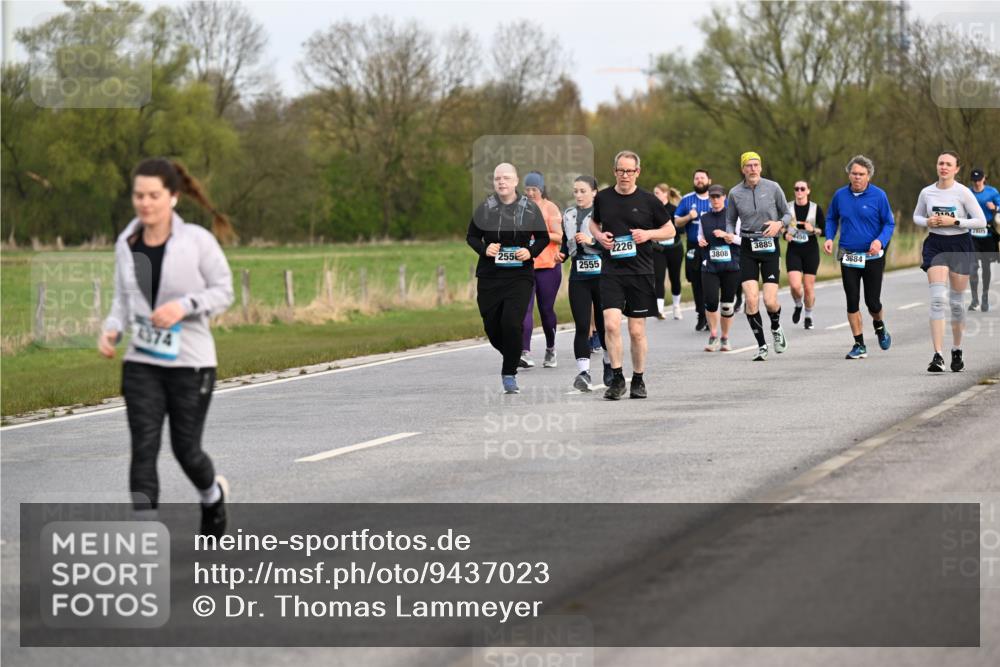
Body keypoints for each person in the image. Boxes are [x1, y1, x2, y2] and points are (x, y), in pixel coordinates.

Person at [98, 157, 235, 537]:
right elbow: (122, 301)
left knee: (185, 450)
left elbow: (224, 291)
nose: (144, 203)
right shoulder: (127, 243)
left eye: (153, 195)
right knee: (143, 447)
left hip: (191, 362)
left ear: (173, 197)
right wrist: (111, 330)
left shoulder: (196, 241)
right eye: (138, 195)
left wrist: (184, 306)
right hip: (142, 360)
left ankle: (211, 496)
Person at [590, 150, 676, 400]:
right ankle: (617, 379)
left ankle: (638, 378)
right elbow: (593, 223)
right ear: (614, 171)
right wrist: (598, 236)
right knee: (611, 324)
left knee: (637, 331)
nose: (624, 175)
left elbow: (669, 229)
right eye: (620, 170)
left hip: (640, 272)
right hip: (611, 271)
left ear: (638, 172)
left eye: (629, 171)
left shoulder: (649, 201)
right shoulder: (603, 198)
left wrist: (648, 234)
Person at [467, 163, 547, 393]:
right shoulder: (485, 208)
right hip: (490, 276)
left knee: (511, 323)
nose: (501, 182)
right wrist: (485, 249)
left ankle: (509, 373)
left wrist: (530, 252)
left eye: (506, 178)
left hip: (519, 276)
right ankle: (512, 355)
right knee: (492, 327)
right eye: (497, 178)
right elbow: (471, 237)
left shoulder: (530, 208)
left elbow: (542, 238)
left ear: (515, 181)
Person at [912, 152, 987, 372]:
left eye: (948, 164)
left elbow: (980, 220)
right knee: (936, 300)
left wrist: (953, 220)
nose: (943, 167)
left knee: (955, 303)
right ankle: (937, 355)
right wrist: (927, 220)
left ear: (956, 169)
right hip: (936, 245)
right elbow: (916, 217)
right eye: (940, 163)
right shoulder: (927, 192)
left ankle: (957, 349)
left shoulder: (962, 192)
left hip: (960, 245)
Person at [824, 155, 895, 359]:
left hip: (872, 257)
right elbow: (831, 218)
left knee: (872, 302)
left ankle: (879, 325)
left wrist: (880, 241)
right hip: (849, 255)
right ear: (849, 174)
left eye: (861, 174)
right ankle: (859, 344)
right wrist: (829, 237)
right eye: (854, 173)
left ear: (869, 176)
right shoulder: (840, 196)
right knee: (852, 301)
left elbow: (889, 223)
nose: (857, 177)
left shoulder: (879, 196)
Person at [726, 151, 791, 361]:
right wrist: (730, 234)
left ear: (760, 168)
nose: (753, 169)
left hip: (770, 246)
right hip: (747, 247)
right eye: (749, 166)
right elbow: (730, 219)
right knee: (751, 300)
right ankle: (762, 345)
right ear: (743, 169)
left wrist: (779, 224)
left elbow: (788, 214)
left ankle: (776, 326)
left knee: (770, 301)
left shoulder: (773, 187)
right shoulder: (735, 193)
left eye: (756, 165)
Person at [557, 175, 612, 390]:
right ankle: (583, 373)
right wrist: (562, 254)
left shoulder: (604, 214)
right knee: (581, 326)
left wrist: (591, 241)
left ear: (594, 192)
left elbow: (612, 245)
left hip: (602, 275)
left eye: (583, 191)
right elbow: (565, 240)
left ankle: (609, 365)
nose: (578, 195)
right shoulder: (569, 214)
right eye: (575, 191)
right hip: (578, 276)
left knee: (603, 324)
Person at [520, 172, 563, 369]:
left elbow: (560, 237)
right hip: (525, 267)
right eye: (527, 189)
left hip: (548, 267)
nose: (530, 193)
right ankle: (525, 352)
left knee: (546, 310)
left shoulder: (550, 208)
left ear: (541, 189)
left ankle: (551, 349)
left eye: (534, 189)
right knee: (524, 309)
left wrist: (540, 232)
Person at [698, 184, 740, 351]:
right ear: (709, 199)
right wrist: (701, 240)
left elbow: (743, 240)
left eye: (718, 197)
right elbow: (700, 235)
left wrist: (728, 236)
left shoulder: (734, 217)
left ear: (724, 198)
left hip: (731, 266)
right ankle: (713, 335)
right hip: (710, 266)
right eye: (712, 197)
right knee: (710, 302)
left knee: (727, 305)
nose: (715, 200)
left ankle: (725, 337)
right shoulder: (704, 217)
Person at [674, 170, 714, 331]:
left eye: (702, 178)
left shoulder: (717, 198)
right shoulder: (687, 199)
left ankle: (712, 311)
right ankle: (701, 314)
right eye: (696, 178)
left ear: (709, 181)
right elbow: (677, 222)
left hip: (713, 246)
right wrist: (689, 217)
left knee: (712, 280)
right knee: (696, 280)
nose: (699, 180)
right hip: (694, 246)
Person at [784, 180, 824, 330]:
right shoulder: (787, 207)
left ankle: (808, 315)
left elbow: (824, 231)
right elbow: (781, 227)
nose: (799, 191)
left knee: (808, 287)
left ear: (808, 191)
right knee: (795, 286)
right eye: (796, 189)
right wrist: (785, 234)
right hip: (794, 250)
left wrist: (812, 229)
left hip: (810, 251)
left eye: (802, 189)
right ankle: (798, 304)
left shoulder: (816, 208)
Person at [968, 168, 1000, 311]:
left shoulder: (992, 192)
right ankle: (975, 299)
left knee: (986, 266)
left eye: (979, 180)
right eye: (974, 181)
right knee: (973, 266)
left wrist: (995, 207)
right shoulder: (967, 193)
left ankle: (985, 297)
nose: (977, 183)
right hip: (972, 233)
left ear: (984, 179)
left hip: (987, 233)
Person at [652, 183, 685, 320]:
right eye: (654, 193)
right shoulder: (651, 210)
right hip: (658, 249)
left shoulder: (674, 209)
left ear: (665, 194)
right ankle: (659, 309)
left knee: (675, 278)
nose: (655, 196)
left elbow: (681, 230)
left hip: (674, 248)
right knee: (658, 277)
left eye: (657, 193)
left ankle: (676, 306)